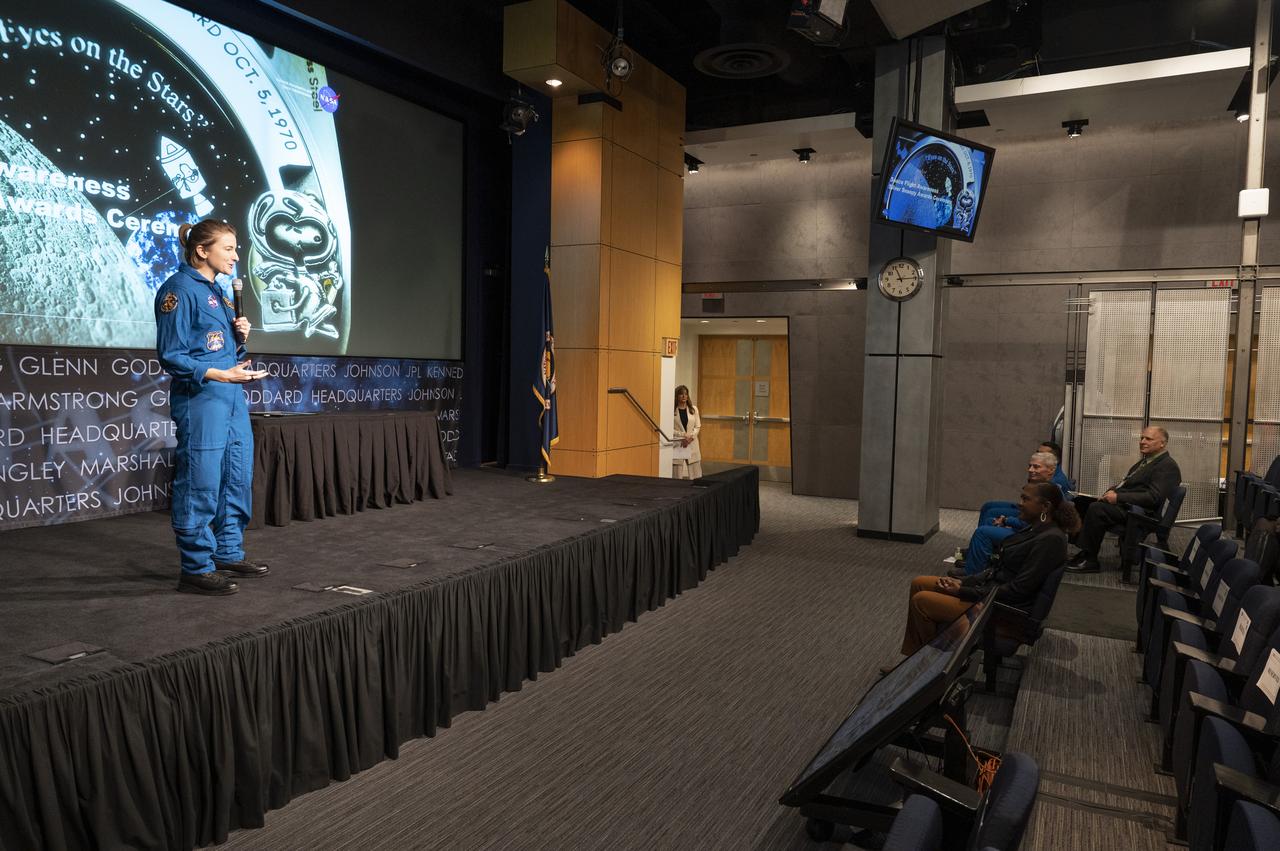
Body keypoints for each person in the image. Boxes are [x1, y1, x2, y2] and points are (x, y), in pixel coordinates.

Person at [155, 219, 269, 596]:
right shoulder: (179, 290)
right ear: (202, 251)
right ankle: (196, 567)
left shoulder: (219, 291)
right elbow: (172, 356)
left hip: (231, 396)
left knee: (236, 473)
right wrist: (220, 374)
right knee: (200, 481)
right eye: (229, 249)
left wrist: (241, 339)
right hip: (201, 398)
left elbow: (219, 348)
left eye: (237, 249)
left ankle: (228, 550)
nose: (237, 257)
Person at [894, 482, 1079, 659]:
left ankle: (928, 666)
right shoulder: (1038, 529)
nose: (1019, 503)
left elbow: (1018, 590)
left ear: (1045, 507)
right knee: (919, 583)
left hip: (1003, 612)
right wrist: (964, 582)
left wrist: (963, 590)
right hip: (991, 595)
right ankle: (913, 658)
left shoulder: (1050, 540)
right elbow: (996, 570)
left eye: (1025, 499)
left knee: (922, 602)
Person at [1066, 426, 1182, 574]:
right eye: (1142, 438)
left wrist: (1118, 497)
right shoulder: (1148, 461)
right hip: (1130, 505)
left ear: (1162, 444)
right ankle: (1084, 551)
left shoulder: (1167, 466)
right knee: (1081, 502)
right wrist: (1114, 490)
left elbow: (1153, 497)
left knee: (1097, 509)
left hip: (1142, 513)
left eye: (1148, 439)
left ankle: (1090, 560)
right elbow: (1132, 484)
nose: (1142, 441)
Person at [956, 451, 1061, 577]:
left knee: (982, 532)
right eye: (1030, 466)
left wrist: (1007, 521)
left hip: (1031, 535)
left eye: (1036, 467)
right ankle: (979, 562)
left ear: (1050, 470)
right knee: (989, 519)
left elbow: (1032, 522)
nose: (1030, 469)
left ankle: (972, 574)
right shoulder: (1041, 486)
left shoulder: (1050, 491)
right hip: (1029, 529)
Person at [672, 385, 703, 479]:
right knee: (677, 475)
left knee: (696, 475)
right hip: (679, 444)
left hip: (692, 443)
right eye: (681, 394)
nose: (684, 396)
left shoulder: (693, 409)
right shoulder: (672, 410)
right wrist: (683, 436)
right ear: (677, 396)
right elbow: (669, 428)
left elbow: (697, 426)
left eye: (686, 394)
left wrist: (690, 437)